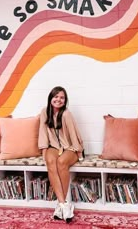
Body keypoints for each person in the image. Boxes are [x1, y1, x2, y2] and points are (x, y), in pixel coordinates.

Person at [38, 86, 84, 222]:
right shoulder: (44, 112)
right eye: (56, 96)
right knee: (51, 162)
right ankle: (64, 205)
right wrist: (44, 153)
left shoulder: (66, 114)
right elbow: (43, 133)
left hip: (71, 148)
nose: (58, 99)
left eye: (62, 97)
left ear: (65, 101)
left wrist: (79, 152)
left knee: (62, 162)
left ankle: (61, 205)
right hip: (54, 147)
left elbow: (74, 134)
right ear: (50, 98)